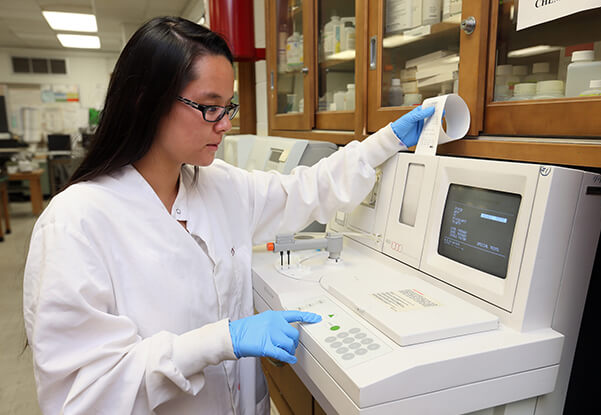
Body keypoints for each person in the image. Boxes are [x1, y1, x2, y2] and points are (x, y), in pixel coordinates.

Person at [23, 16, 434, 415]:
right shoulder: (77, 222)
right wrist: (221, 340)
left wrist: (387, 141)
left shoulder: (218, 185)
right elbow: (84, 396)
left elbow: (304, 191)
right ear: (145, 101)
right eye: (208, 107)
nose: (225, 126)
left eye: (228, 107)